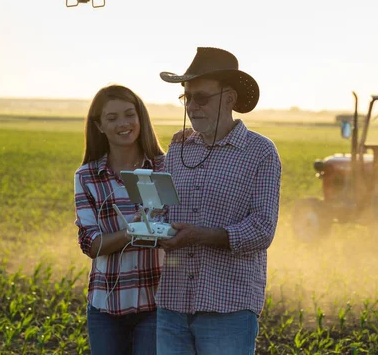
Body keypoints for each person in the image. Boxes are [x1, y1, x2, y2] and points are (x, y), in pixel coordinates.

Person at [156, 47, 282, 354]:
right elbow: (161, 208)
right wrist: (155, 229)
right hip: (173, 301)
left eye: (201, 97)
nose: (191, 106)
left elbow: (262, 229)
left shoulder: (261, 152)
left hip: (228, 306)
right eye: (186, 97)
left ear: (229, 99)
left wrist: (202, 235)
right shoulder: (178, 148)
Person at [74, 84, 166, 355]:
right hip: (105, 305)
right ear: (99, 126)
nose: (123, 124)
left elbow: (175, 228)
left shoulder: (164, 168)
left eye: (129, 115)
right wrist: (133, 232)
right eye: (112, 118)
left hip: (157, 304)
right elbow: (91, 244)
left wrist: (144, 232)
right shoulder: (87, 176)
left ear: (140, 117)